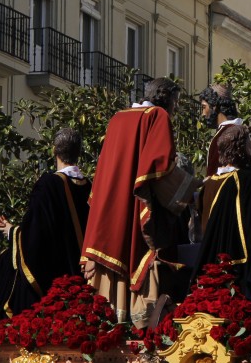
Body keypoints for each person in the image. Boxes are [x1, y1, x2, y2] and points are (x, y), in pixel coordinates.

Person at [81, 78, 198, 328]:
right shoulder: (156, 116)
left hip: (109, 206)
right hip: (136, 205)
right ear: (165, 98)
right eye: (175, 103)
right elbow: (161, 166)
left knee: (113, 253)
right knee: (136, 252)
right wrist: (191, 191)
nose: (175, 109)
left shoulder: (118, 118)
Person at [0, 128, 91, 325]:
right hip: (84, 273)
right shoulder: (89, 186)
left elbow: (36, 235)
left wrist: (12, 231)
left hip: (55, 275)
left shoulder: (48, 184)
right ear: (79, 152)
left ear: (54, 150)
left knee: (2, 261)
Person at [192, 110, 251, 302]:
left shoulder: (208, 183)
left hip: (209, 261)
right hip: (236, 264)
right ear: (240, 149)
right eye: (250, 143)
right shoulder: (244, 180)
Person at [199, 83, 245, 177]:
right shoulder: (230, 131)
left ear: (215, 106)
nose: (203, 114)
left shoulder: (229, 134)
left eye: (204, 107)